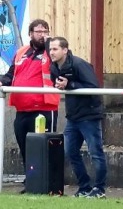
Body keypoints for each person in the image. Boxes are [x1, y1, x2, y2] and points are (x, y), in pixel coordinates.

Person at [0, 19, 60, 192]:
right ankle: (31, 182)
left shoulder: (51, 51)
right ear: (30, 34)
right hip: (22, 110)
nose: (42, 34)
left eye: (45, 31)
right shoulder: (21, 52)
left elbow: (61, 63)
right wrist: (1, 81)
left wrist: (49, 43)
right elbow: (11, 73)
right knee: (26, 148)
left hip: (44, 108)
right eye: (38, 31)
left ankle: (49, 184)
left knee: (45, 148)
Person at [49, 36, 107, 199]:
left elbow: (94, 87)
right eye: (50, 49)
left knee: (96, 152)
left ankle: (100, 189)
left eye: (55, 49)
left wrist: (70, 85)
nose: (51, 52)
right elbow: (58, 83)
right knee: (70, 152)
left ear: (65, 50)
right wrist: (61, 85)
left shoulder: (80, 64)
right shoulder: (54, 67)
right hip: (73, 117)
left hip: (89, 115)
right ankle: (84, 187)